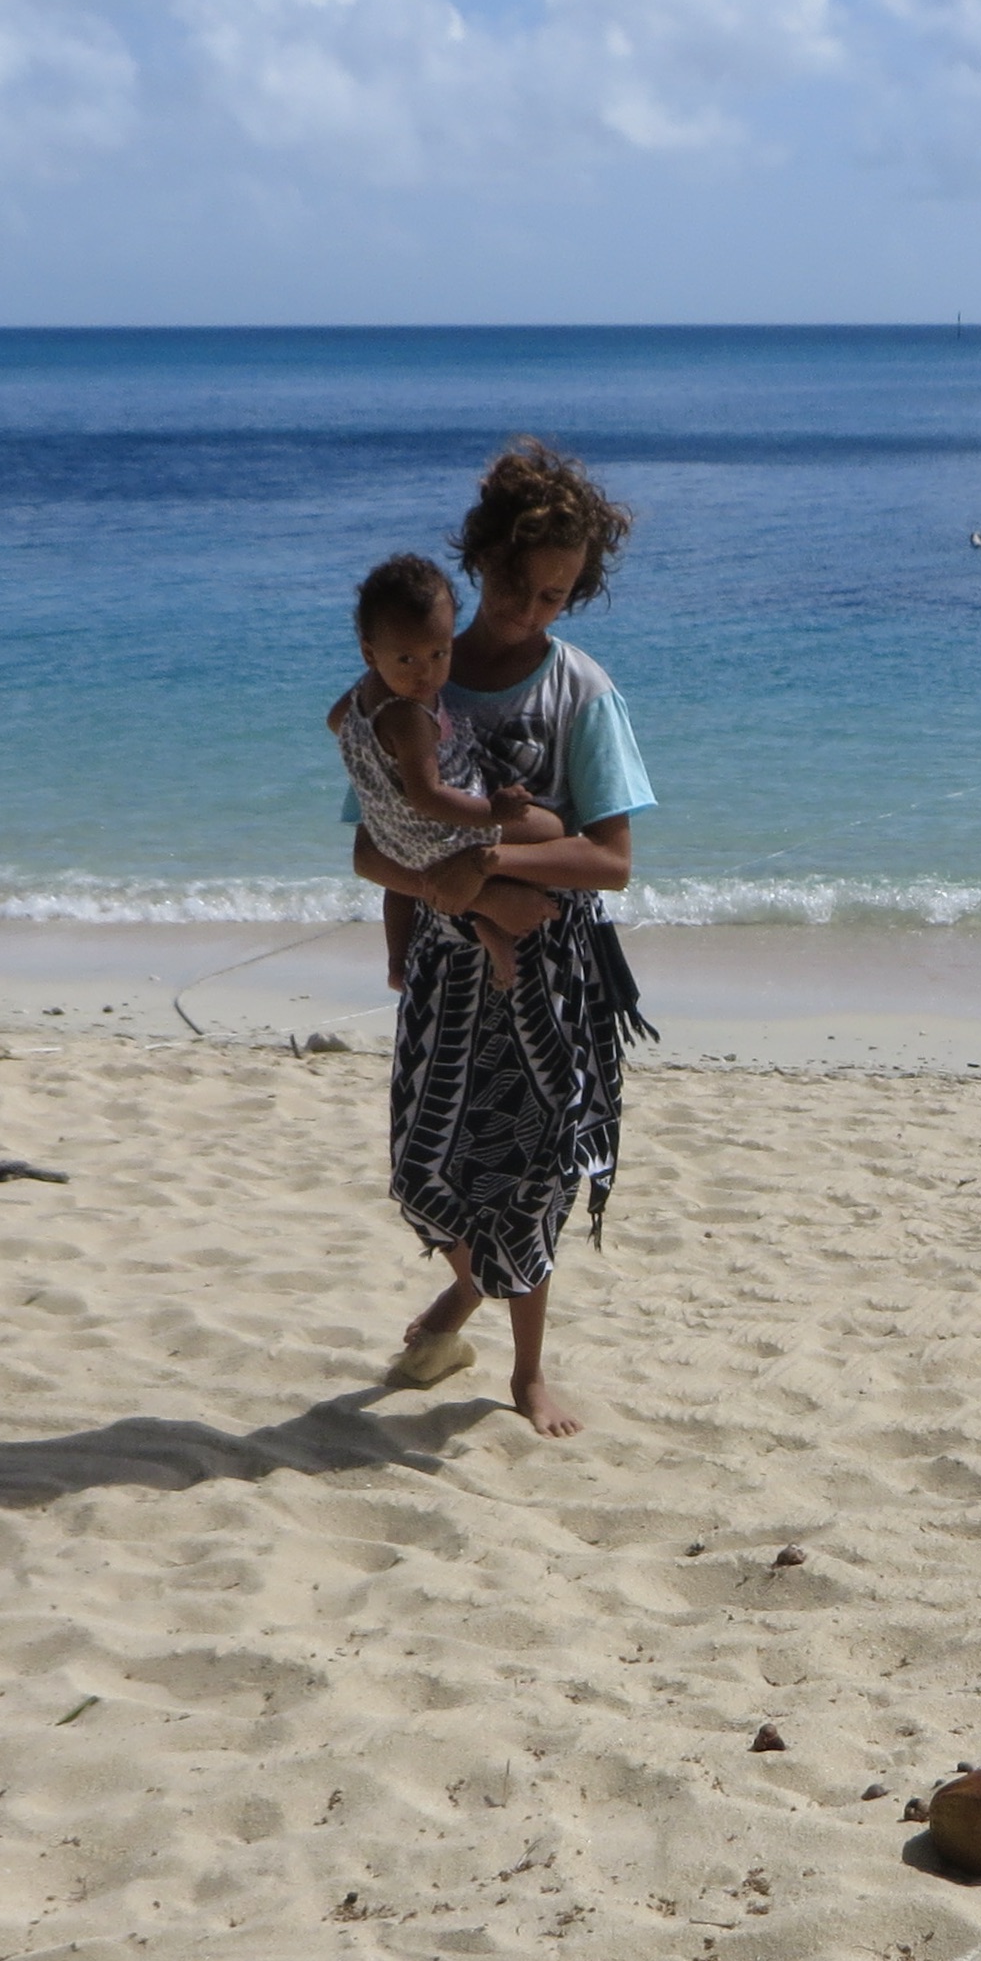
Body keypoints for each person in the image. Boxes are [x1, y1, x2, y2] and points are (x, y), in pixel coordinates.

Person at [350, 442, 656, 1439]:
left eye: (556, 595)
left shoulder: (583, 692)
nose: (532, 610)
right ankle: (466, 1290)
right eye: (518, 586)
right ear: (480, 559)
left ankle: (526, 1372)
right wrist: (447, 897)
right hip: (445, 966)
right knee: (421, 1170)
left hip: (549, 972)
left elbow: (610, 860)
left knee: (529, 1179)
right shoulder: (414, 684)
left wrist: (490, 866)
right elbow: (371, 844)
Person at [326, 552, 567, 990]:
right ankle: (488, 918)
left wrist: (375, 762)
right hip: (438, 832)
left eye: (439, 653)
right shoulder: (408, 717)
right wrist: (492, 812)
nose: (426, 673)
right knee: (550, 828)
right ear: (369, 653)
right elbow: (429, 796)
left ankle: (397, 963)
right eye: (407, 660)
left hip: (390, 836)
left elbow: (336, 721)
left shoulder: (367, 689)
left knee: (399, 889)